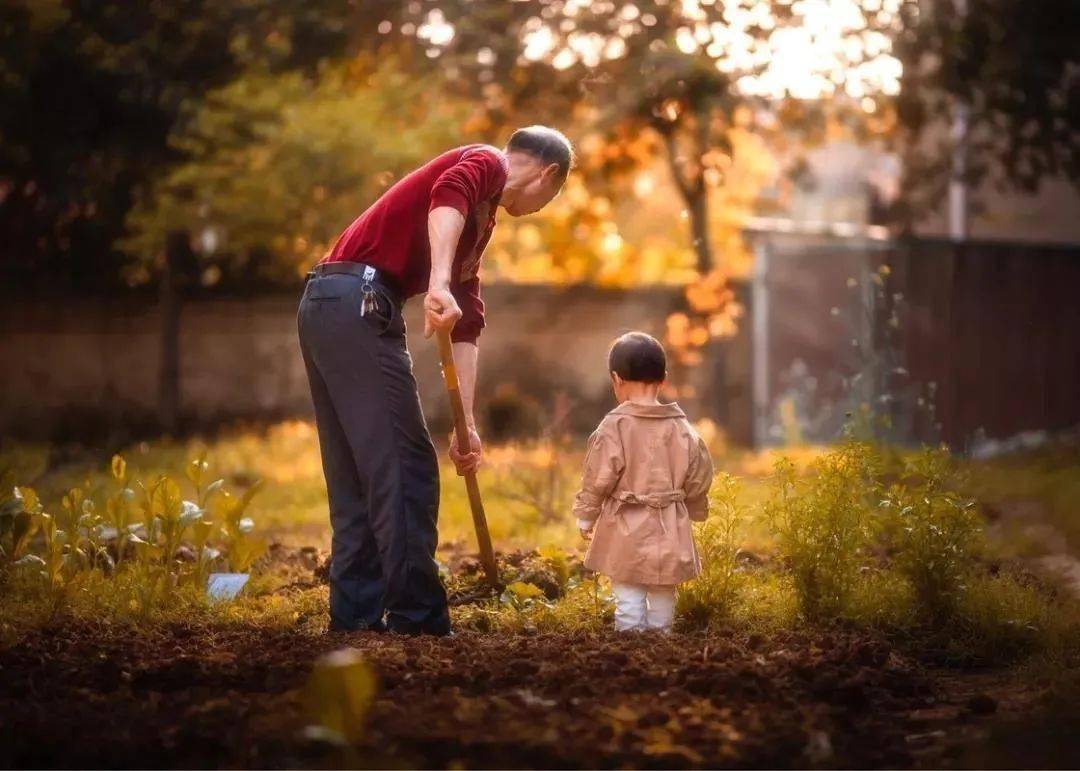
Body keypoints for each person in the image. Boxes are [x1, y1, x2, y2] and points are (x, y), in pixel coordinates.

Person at [298, 126, 574, 635]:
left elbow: (466, 322)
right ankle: (418, 620)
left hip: (328, 304)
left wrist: (466, 424)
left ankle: (356, 619)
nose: (540, 207)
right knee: (406, 467)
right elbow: (449, 192)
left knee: (362, 474)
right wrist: (438, 283)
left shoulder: (477, 227)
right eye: (549, 198)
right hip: (356, 301)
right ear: (548, 174)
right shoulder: (488, 163)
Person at [573, 332, 714, 632]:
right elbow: (699, 476)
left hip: (625, 526)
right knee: (664, 590)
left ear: (616, 379)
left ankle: (630, 645)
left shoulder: (615, 426)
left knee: (628, 591)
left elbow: (597, 477)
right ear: (663, 378)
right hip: (670, 525)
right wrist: (695, 508)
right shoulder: (683, 428)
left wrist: (586, 515)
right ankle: (661, 643)